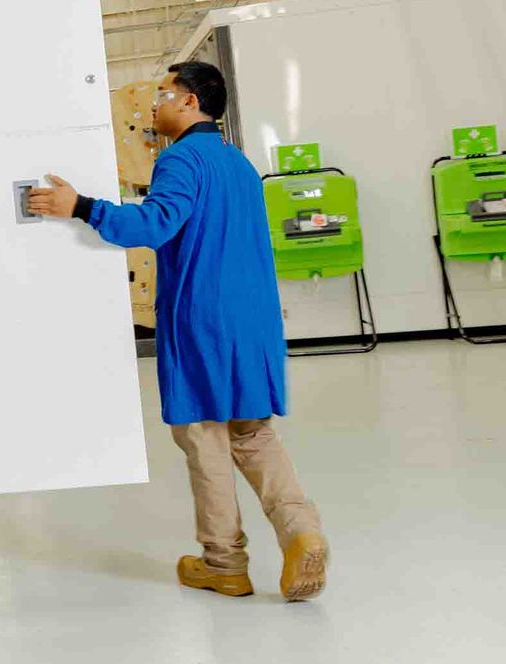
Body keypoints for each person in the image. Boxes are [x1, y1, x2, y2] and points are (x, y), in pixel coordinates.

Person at [25, 61, 329, 602]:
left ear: (190, 102)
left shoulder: (182, 160)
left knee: (205, 438)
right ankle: (301, 531)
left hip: (203, 322)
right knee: (253, 432)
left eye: (163, 93)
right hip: (253, 321)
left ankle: (225, 565)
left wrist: (81, 207)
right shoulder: (237, 163)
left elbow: (154, 223)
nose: (153, 104)